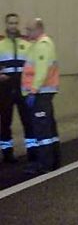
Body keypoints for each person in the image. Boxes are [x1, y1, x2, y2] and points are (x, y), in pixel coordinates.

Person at [21, 18, 60, 174]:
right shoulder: (39, 44)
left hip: (40, 94)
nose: (27, 32)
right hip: (43, 93)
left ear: (38, 29)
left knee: (42, 131)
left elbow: (41, 71)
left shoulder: (42, 45)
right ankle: (54, 160)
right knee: (49, 129)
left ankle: (44, 164)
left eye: (29, 29)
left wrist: (33, 91)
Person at [0, 13, 34, 164]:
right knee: (5, 122)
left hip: (22, 87)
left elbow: (32, 66)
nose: (13, 26)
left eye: (15, 23)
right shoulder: (1, 45)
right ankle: (7, 154)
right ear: (6, 25)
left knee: (28, 121)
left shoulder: (26, 45)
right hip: (5, 88)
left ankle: (33, 152)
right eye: (10, 23)